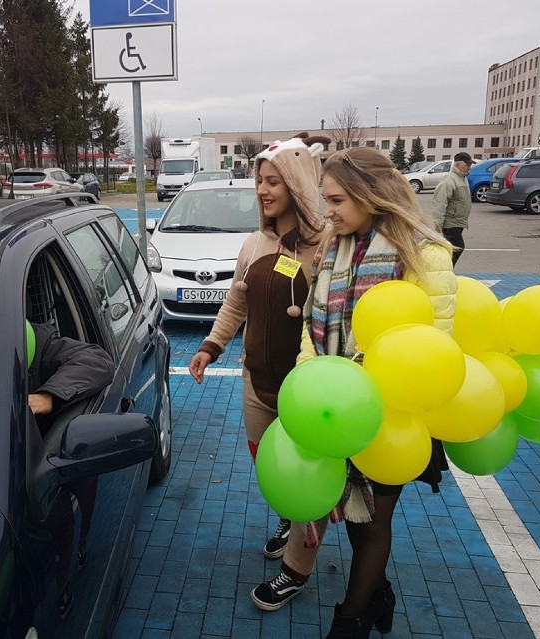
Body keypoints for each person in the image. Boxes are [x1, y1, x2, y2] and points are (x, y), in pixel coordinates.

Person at [300, 147, 456, 638]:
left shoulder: (423, 252)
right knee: (354, 513)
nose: (328, 211)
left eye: (338, 200)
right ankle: (377, 594)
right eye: (326, 200)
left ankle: (350, 621)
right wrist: (312, 384)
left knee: (373, 519)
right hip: (339, 407)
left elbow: (436, 345)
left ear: (372, 195)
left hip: (393, 415)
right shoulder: (335, 246)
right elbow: (311, 325)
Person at [187, 133, 333, 610]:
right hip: (256, 385)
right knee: (271, 469)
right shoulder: (254, 243)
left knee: (310, 479)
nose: (263, 191)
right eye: (260, 182)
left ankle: (297, 568)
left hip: (309, 391)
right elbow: (236, 301)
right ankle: (289, 519)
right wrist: (211, 346)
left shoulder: (326, 246)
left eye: (273, 181)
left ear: (296, 183)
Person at [27, 321, 116, 620]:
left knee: (59, 507)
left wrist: (48, 396)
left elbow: (98, 360)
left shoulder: (33, 341)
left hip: (38, 471)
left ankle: (72, 566)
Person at [431, 151, 474, 266]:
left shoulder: (462, 178)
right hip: (450, 223)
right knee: (458, 247)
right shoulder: (449, 180)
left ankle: (446, 270)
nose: (469, 167)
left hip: (458, 222)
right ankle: (445, 270)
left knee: (452, 249)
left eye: (470, 165)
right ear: (457, 164)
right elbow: (439, 203)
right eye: (467, 165)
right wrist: (437, 224)